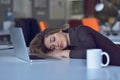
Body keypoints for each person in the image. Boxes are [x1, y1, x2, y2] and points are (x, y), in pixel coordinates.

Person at [29, 25, 120, 66]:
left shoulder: (81, 31)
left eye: (53, 39)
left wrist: (64, 53)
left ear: (58, 30)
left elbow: (91, 53)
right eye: (53, 47)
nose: (56, 45)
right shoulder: (70, 46)